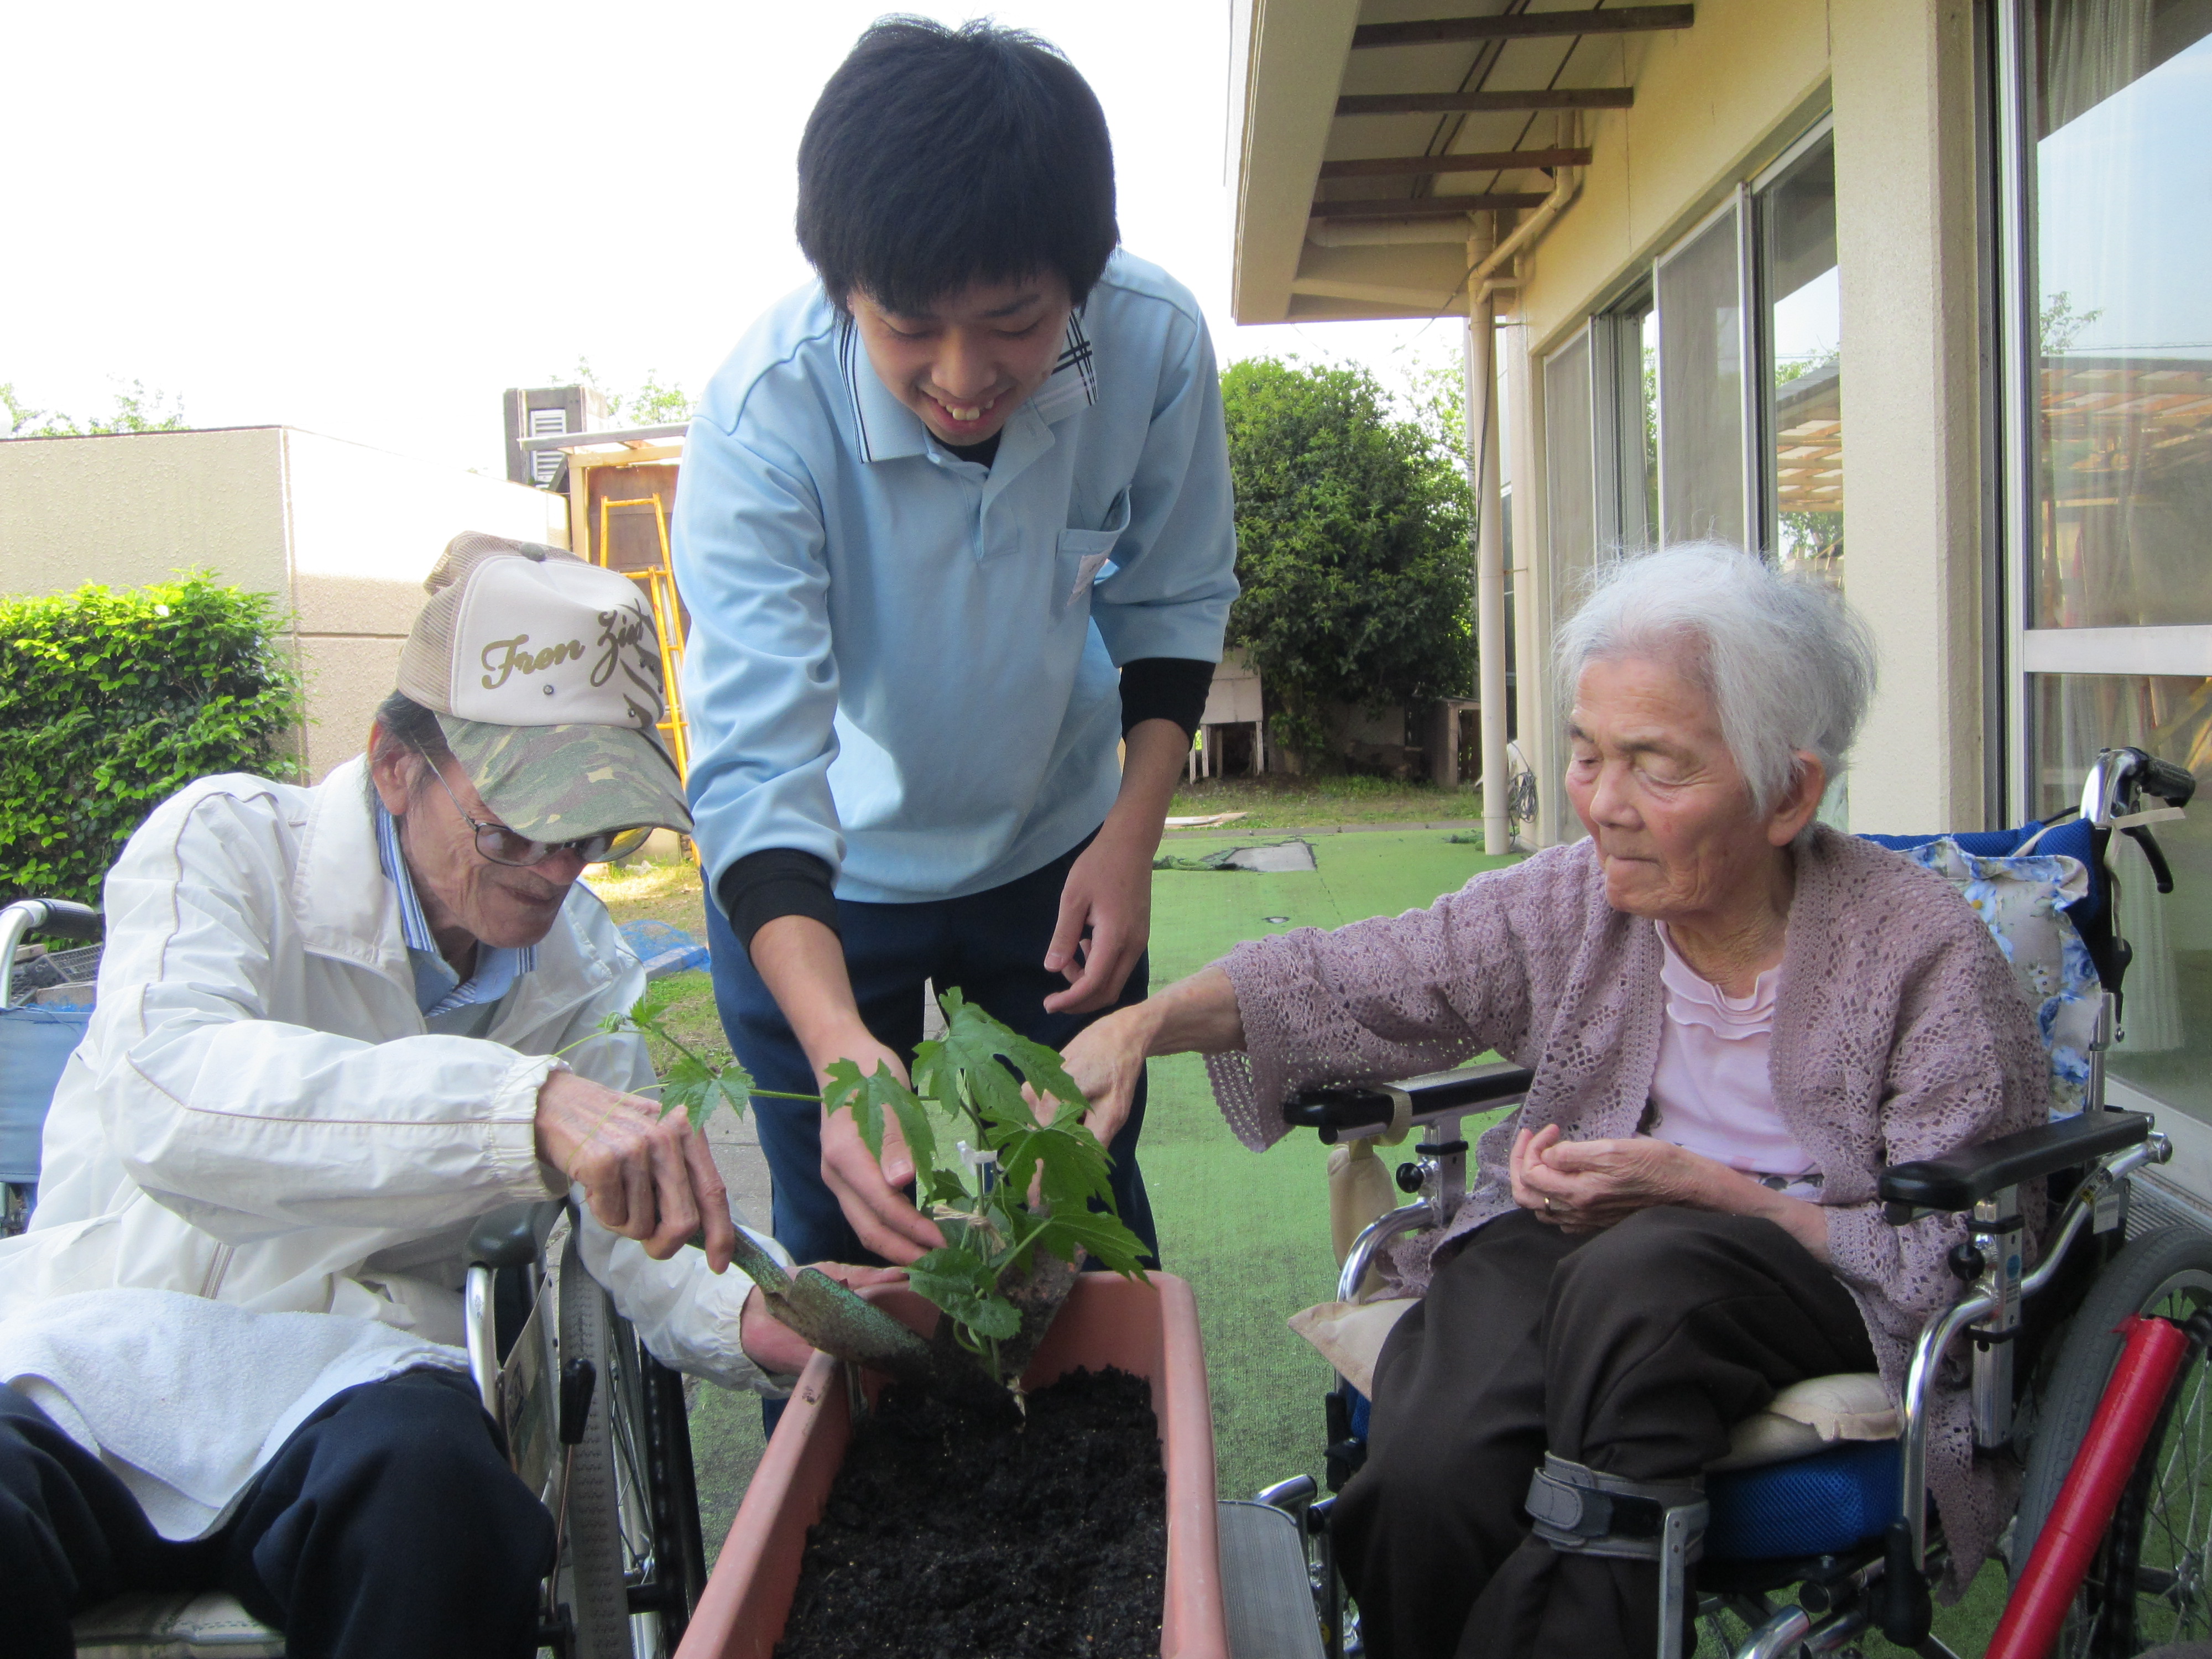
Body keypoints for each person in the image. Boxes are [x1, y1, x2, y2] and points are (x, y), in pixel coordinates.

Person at [1057, 546, 2051, 1659]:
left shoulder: (1921, 955)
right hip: (1582, 1250)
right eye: (1583, 756)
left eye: (1652, 766)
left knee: (1646, 1276)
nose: (1602, 806)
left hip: (1814, 1270)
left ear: (1788, 793)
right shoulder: (1576, 902)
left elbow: (1959, 1256)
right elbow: (1370, 971)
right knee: (1437, 1439)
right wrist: (1141, 1024)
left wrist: (1718, 1196)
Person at [0, 534, 893, 1659]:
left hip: (356, 1388)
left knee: (450, 1508)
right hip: (106, 1352)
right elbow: (169, 1093)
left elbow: (635, 1238)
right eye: (515, 823)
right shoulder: (225, 844)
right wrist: (521, 1110)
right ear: (392, 762)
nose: (558, 868)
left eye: (592, 830)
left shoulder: (581, 963)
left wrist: (757, 1307)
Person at [671, 18, 1239, 1277]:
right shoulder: (764, 421)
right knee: (855, 1235)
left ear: (1078, 283)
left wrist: (1130, 836)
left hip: (1054, 851)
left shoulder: (1152, 341)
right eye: (909, 328)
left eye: (1014, 322)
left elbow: (1170, 602)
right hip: (820, 887)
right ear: (842, 290)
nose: (964, 375)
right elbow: (757, 770)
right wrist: (836, 1053)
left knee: (1074, 1201)